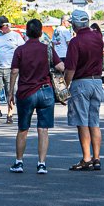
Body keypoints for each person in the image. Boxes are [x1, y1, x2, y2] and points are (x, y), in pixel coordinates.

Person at [8, 19, 64, 175]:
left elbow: (14, 72)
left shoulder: (20, 50)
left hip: (26, 93)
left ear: (26, 32)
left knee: (23, 129)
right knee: (43, 129)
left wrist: (11, 92)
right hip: (46, 92)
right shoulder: (47, 49)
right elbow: (60, 67)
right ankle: (41, 164)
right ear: (41, 33)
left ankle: (19, 162)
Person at [64, 9, 104, 170]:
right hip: (97, 82)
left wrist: (64, 88)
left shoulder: (75, 42)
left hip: (81, 82)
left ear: (74, 24)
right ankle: (97, 157)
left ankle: (86, 158)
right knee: (94, 121)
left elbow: (70, 69)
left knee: (82, 122)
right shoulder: (98, 37)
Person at [0, 16, 25, 124]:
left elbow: (22, 51)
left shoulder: (15, 36)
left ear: (7, 25)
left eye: (1, 26)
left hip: (11, 68)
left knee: (11, 91)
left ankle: (10, 114)